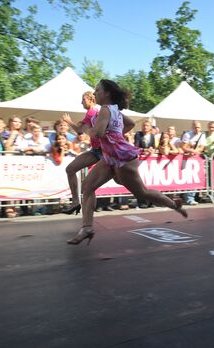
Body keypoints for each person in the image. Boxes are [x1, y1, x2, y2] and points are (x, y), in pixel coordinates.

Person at [67, 79, 187, 245]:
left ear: (107, 93)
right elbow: (129, 124)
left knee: (142, 193)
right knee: (87, 186)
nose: (94, 94)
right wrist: (116, 135)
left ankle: (174, 204)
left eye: (97, 90)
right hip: (110, 157)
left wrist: (86, 130)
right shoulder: (114, 109)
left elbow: (98, 132)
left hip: (122, 158)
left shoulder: (104, 110)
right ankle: (87, 227)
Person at [60, 91, 102, 215]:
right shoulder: (92, 113)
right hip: (95, 151)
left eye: (83, 100)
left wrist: (69, 121)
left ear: (91, 100)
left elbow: (79, 131)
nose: (81, 102)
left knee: (89, 185)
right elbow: (81, 131)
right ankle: (75, 202)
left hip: (104, 153)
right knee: (71, 169)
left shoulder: (92, 112)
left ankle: (85, 214)